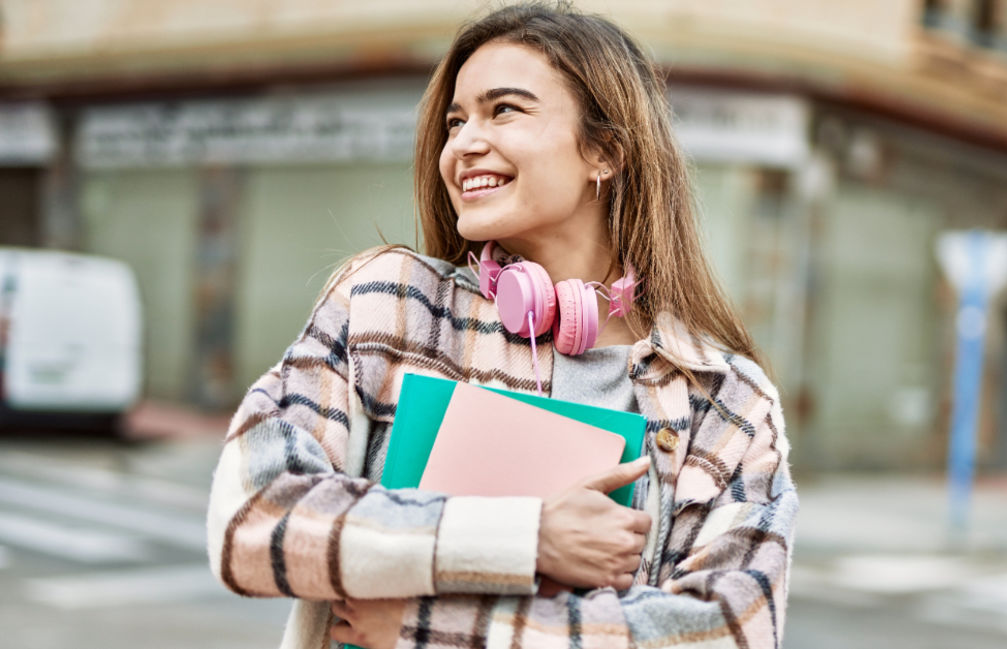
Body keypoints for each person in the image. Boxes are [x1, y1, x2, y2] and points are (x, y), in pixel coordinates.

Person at [206, 3, 798, 648]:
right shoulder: (391, 305)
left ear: (604, 150)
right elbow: (251, 517)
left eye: (504, 110)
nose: (462, 143)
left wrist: (431, 626)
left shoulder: (727, 398)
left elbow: (729, 631)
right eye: (456, 121)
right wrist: (526, 538)